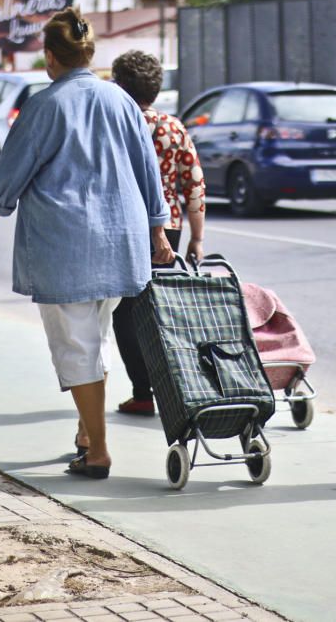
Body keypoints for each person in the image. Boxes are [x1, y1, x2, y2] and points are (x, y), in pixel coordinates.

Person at [0, 8, 174, 480]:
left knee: (76, 347)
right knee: (94, 341)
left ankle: (98, 450)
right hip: (121, 242)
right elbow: (149, 170)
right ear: (88, 52)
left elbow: (12, 172)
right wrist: (158, 229)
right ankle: (87, 434)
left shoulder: (45, 105)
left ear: (49, 56)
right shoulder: (122, 101)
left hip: (66, 247)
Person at [110, 50, 207, 417]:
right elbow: (194, 186)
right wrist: (197, 237)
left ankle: (142, 391)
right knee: (162, 310)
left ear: (119, 84)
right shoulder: (172, 127)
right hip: (169, 228)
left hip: (121, 224)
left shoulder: (113, 125)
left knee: (125, 313)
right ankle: (173, 383)